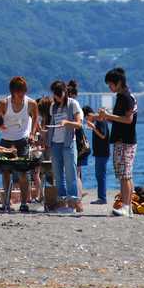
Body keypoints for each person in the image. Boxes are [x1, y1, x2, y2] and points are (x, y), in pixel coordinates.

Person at [97, 67, 138, 218]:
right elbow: (120, 118)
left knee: (125, 175)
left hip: (125, 141)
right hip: (124, 140)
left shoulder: (126, 97)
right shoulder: (124, 96)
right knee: (126, 175)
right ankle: (129, 207)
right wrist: (105, 116)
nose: (110, 88)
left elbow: (128, 120)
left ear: (118, 82)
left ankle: (126, 206)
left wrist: (109, 116)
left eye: (110, 84)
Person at [0, 76, 39, 213]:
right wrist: (0, 125)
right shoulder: (4, 103)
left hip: (22, 140)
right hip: (6, 140)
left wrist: (32, 133)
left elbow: (36, 117)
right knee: (6, 172)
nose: (22, 94)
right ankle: (6, 202)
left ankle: (24, 203)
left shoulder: (31, 103)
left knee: (23, 173)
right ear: (13, 92)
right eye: (19, 92)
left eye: (24, 91)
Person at [47, 80, 83, 213]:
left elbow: (79, 124)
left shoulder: (73, 104)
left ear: (65, 91)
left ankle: (72, 203)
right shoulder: (53, 107)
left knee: (70, 173)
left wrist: (67, 122)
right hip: (55, 143)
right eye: (55, 94)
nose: (57, 96)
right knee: (57, 174)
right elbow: (52, 124)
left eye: (59, 93)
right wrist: (46, 140)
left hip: (68, 142)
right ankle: (62, 202)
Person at [67, 80, 89, 201]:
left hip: (75, 142)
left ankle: (77, 196)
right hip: (79, 141)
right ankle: (79, 194)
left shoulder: (72, 106)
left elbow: (77, 125)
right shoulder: (77, 106)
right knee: (77, 171)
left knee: (75, 171)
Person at [83, 106, 110, 205]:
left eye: (86, 118)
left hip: (102, 153)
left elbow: (103, 135)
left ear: (89, 115)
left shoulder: (100, 120)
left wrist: (93, 127)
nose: (87, 120)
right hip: (101, 152)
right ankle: (101, 197)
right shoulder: (99, 120)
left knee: (100, 175)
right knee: (99, 175)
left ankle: (102, 198)